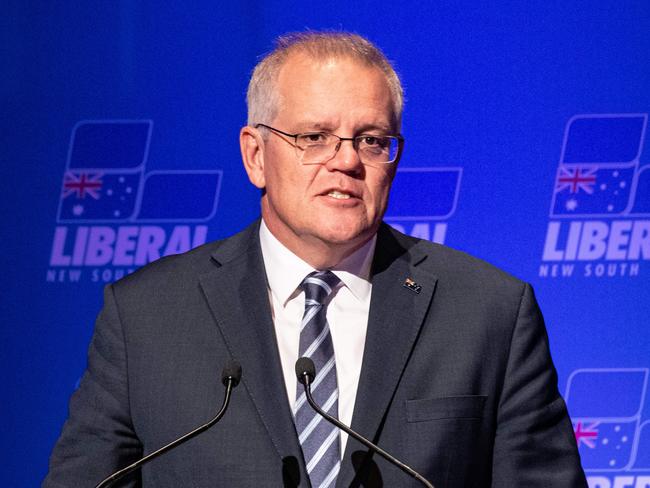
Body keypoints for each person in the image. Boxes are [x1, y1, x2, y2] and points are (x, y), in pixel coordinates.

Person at [44, 31, 587, 487]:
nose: (347, 160)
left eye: (371, 140)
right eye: (314, 136)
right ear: (255, 155)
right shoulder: (147, 317)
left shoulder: (488, 313)